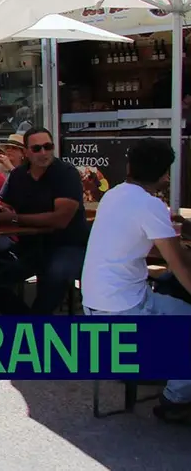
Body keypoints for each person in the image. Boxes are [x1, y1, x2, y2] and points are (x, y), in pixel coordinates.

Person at [81, 138, 191, 423]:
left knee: (167, 292)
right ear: (165, 174)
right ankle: (175, 399)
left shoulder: (114, 194)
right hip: (124, 312)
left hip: (94, 307)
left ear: (129, 166)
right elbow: (177, 263)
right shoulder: (148, 205)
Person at [0, 128, 91, 315]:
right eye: (37, 148)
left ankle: (35, 324)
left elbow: (60, 219)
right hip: (31, 246)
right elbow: (3, 204)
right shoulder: (18, 176)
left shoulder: (66, 174)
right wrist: (1, 210)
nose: (43, 153)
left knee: (54, 276)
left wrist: (14, 218)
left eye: (48, 147)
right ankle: (26, 321)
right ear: (26, 152)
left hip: (67, 245)